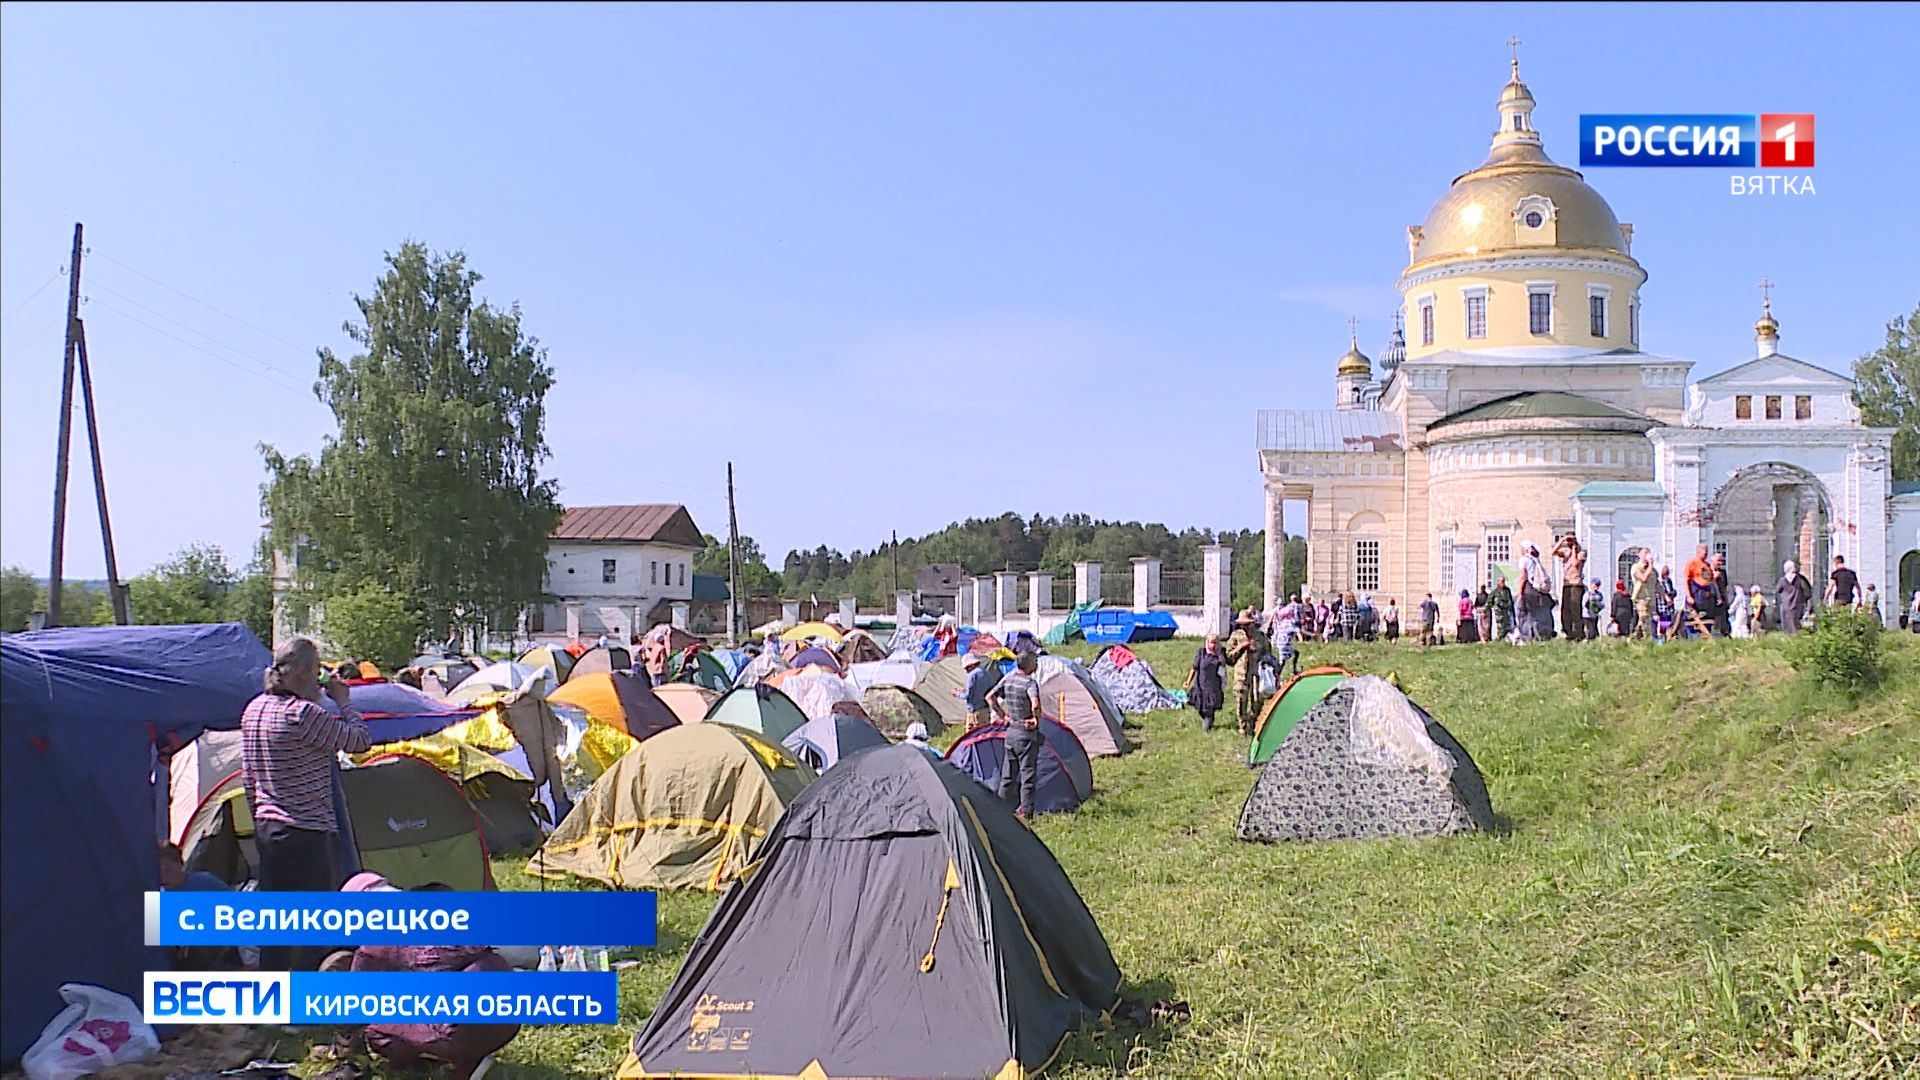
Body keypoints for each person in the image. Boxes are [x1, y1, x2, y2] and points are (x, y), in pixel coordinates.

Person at [241, 637, 369, 973]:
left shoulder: (253, 709)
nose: (319, 680)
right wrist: (344, 703)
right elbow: (358, 741)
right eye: (315, 672)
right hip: (307, 829)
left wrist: (258, 813)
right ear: (299, 674)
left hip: (270, 826)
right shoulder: (301, 714)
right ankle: (304, 1008)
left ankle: (272, 1001)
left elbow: (248, 774)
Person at [337, 873, 519, 1080]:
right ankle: (466, 1055)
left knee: (376, 1029)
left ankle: (458, 1060)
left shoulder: (375, 942)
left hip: (469, 1023)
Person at [984, 651, 1043, 821]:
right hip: (1025, 734)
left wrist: (1003, 716)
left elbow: (990, 697)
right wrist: (1035, 719)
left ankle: (1000, 809)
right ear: (1029, 664)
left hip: (1010, 733)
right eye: (1035, 661)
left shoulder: (1008, 678)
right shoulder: (1030, 683)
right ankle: (1027, 813)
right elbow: (1036, 704)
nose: (1037, 664)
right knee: (1027, 775)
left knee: (1008, 776)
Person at [1185, 634, 1227, 732]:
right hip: (1200, 685)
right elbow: (1194, 668)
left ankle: (1207, 727)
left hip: (1214, 687)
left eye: (1215, 643)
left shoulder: (1220, 655)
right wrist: (1188, 681)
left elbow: (1223, 667)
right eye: (1211, 642)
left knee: (1208, 710)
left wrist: (1219, 653)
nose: (1213, 645)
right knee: (1200, 708)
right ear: (1207, 642)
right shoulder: (1201, 653)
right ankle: (1208, 719)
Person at [1552, 534, 1589, 641]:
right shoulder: (1565, 552)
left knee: (1575, 609)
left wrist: (1574, 548)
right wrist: (1562, 540)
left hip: (1576, 584)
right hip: (1566, 584)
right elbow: (1553, 552)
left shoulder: (1582, 553)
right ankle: (1568, 632)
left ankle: (1578, 633)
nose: (1569, 542)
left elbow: (1574, 563)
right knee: (1565, 609)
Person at [1521, 542, 1554, 641]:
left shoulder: (1524, 560)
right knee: (1540, 615)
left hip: (1529, 589)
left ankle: (1527, 636)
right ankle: (1543, 635)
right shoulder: (1536, 560)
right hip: (1539, 591)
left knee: (1526, 615)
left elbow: (1523, 577)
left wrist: (1520, 593)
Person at [1682, 545, 1715, 637]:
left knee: (1705, 617)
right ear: (1698, 552)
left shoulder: (1707, 565)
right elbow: (1686, 580)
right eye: (1704, 553)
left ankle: (1706, 635)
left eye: (1706, 553)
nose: (1705, 555)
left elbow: (1710, 580)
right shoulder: (1692, 563)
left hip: (1705, 595)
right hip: (1695, 592)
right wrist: (1689, 596)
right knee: (1692, 616)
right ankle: (1692, 635)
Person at [1630, 550, 1659, 640]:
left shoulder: (1652, 570)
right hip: (1640, 599)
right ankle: (1648, 639)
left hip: (1651, 599)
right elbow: (1643, 578)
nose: (1647, 555)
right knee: (1645, 618)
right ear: (1639, 555)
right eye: (1645, 553)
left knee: (1643, 621)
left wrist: (1665, 596)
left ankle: (1633, 637)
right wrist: (1650, 565)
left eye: (1648, 553)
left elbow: (1657, 584)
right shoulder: (1636, 567)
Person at [1777, 560, 1812, 633]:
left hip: (1785, 607)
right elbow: (1807, 593)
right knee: (1797, 628)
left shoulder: (1782, 580)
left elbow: (1777, 591)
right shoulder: (1801, 579)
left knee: (1787, 629)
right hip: (1797, 607)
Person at [961, 653, 995, 730]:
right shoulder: (987, 673)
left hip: (975, 712)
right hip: (986, 709)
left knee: (971, 736)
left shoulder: (972, 675)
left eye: (967, 668)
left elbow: (967, 695)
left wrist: (958, 694)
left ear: (971, 665)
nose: (966, 671)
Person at [1711, 553, 1733, 637]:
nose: (1720, 563)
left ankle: (1726, 634)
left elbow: (1725, 587)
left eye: (1722, 561)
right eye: (1718, 561)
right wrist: (1714, 578)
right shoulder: (1707, 571)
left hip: (1723, 601)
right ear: (1713, 561)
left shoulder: (1723, 572)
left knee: (1724, 621)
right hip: (1712, 602)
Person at [1491, 575, 1515, 641]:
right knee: (1500, 628)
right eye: (1502, 581)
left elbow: (1510, 600)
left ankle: (1504, 640)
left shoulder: (1507, 590)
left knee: (1507, 627)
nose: (1503, 583)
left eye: (1504, 581)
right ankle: (1498, 640)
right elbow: (1496, 602)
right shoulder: (1495, 591)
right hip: (1499, 612)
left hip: (1506, 612)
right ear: (1498, 582)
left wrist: (1510, 607)